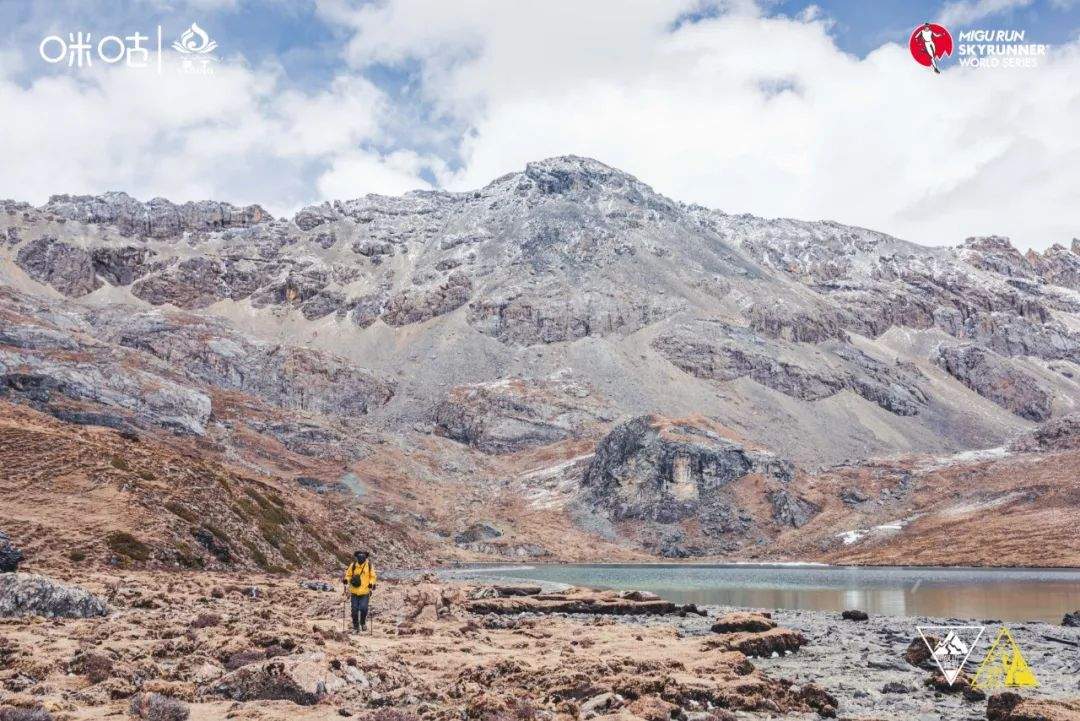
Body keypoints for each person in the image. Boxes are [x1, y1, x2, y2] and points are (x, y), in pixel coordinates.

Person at [342, 550, 377, 632]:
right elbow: (348, 575)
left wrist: (371, 583)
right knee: (354, 610)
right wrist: (346, 580)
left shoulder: (369, 566)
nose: (361, 558)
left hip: (365, 591)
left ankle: (362, 622)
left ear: (365, 557)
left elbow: (373, 576)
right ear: (357, 557)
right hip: (354, 591)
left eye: (363, 557)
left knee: (364, 608)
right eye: (359, 557)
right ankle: (355, 626)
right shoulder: (353, 565)